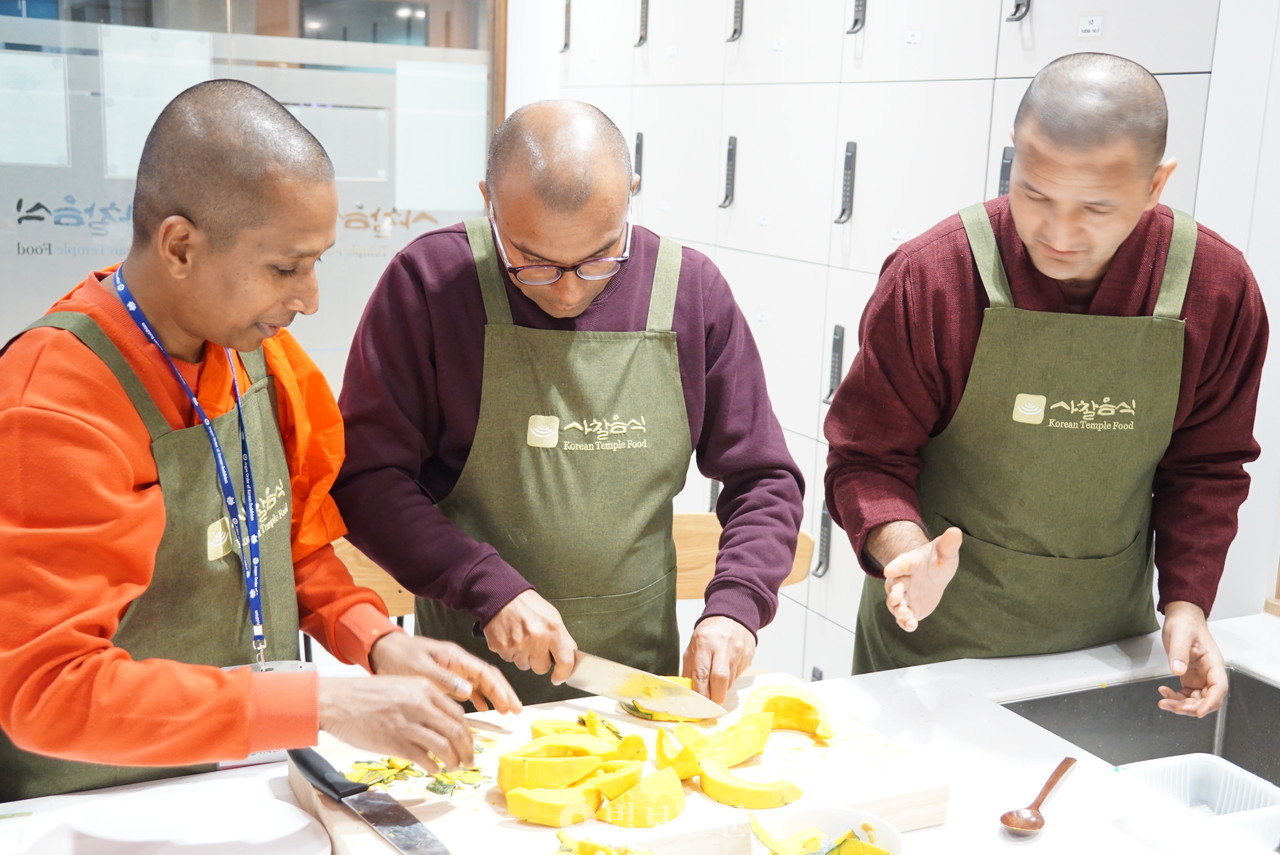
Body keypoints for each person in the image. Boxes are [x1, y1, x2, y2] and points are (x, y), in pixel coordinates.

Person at [0, 79, 520, 803]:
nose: (309, 297)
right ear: (179, 245)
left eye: (316, 262)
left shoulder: (257, 353)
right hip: (92, 804)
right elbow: (45, 689)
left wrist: (376, 639)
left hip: (245, 782)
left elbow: (288, 543)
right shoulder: (53, 401)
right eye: (285, 267)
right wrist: (324, 704)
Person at [824, 52, 1267, 718]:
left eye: (1095, 207)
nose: (1058, 234)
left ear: (1156, 184)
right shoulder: (936, 278)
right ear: (1015, 156)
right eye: (1034, 194)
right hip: (933, 651)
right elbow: (865, 457)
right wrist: (905, 551)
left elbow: (1206, 467)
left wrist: (1187, 602)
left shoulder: (1217, 290)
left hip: (1102, 656)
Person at [333, 100, 805, 706]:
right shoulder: (429, 284)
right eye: (531, 262)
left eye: (600, 257)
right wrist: (482, 583)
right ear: (489, 202)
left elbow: (765, 477)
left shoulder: (690, 293)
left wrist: (736, 607)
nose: (569, 289)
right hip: (469, 692)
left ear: (631, 194)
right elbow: (367, 477)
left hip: (637, 691)